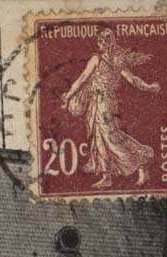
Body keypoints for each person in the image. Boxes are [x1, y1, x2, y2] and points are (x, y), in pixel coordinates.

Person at [61, 28, 160, 189]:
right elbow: (132, 79)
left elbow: (82, 79)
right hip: (97, 102)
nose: (99, 44)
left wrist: (68, 95)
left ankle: (141, 160)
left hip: (104, 103)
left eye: (101, 41)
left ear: (106, 42)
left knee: (110, 137)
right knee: (99, 137)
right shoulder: (113, 60)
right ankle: (107, 176)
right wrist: (148, 87)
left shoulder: (101, 59)